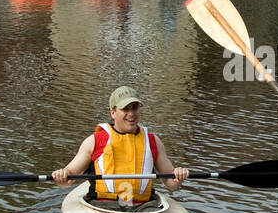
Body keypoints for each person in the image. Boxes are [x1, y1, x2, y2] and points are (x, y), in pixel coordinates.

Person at [51, 86, 189, 205]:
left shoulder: (154, 142)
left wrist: (178, 176)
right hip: (103, 206)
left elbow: (171, 184)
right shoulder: (94, 141)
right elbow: (68, 178)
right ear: (113, 113)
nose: (131, 114)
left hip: (144, 208)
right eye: (125, 109)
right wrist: (62, 175)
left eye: (134, 108)